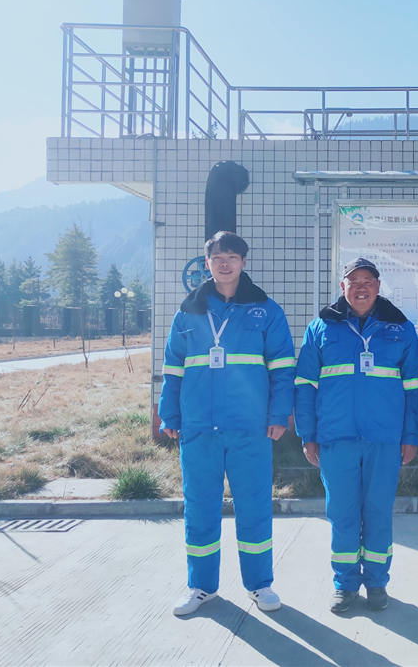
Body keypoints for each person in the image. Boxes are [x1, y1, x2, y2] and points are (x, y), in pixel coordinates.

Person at [159, 231, 295, 616]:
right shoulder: (188, 312)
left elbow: (283, 367)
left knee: (254, 506)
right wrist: (170, 414)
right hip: (199, 427)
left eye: (232, 256)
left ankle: (260, 584)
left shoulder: (266, 310)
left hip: (249, 427)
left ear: (243, 263)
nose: (224, 263)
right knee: (200, 507)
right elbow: (173, 369)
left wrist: (278, 415)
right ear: (207, 263)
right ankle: (201, 587)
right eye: (217, 257)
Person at [294, 258, 418, 614]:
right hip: (336, 439)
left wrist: (410, 435)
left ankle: (377, 582)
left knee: (378, 512)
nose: (361, 287)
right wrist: (307, 434)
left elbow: (414, 388)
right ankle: (345, 584)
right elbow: (304, 385)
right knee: (343, 513)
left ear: (378, 286)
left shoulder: (400, 329)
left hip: (385, 439)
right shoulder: (321, 328)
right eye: (354, 281)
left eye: (368, 281)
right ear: (343, 287)